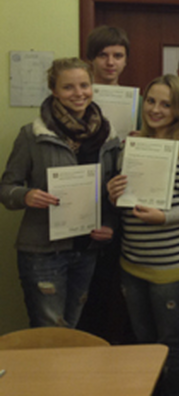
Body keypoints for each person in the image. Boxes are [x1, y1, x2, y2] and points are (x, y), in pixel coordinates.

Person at [107, 74, 179, 396]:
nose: (156, 110)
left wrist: (166, 216)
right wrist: (112, 195)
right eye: (152, 101)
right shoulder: (129, 146)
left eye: (166, 104)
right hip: (133, 263)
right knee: (143, 343)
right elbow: (123, 202)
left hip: (175, 268)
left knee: (174, 343)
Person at [0, 58, 120, 327]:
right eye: (68, 87)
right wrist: (26, 196)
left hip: (87, 249)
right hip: (43, 252)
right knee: (49, 332)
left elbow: (113, 192)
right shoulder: (32, 134)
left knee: (74, 328)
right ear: (54, 91)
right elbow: (6, 188)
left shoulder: (108, 135)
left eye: (84, 85)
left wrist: (110, 225)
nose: (78, 93)